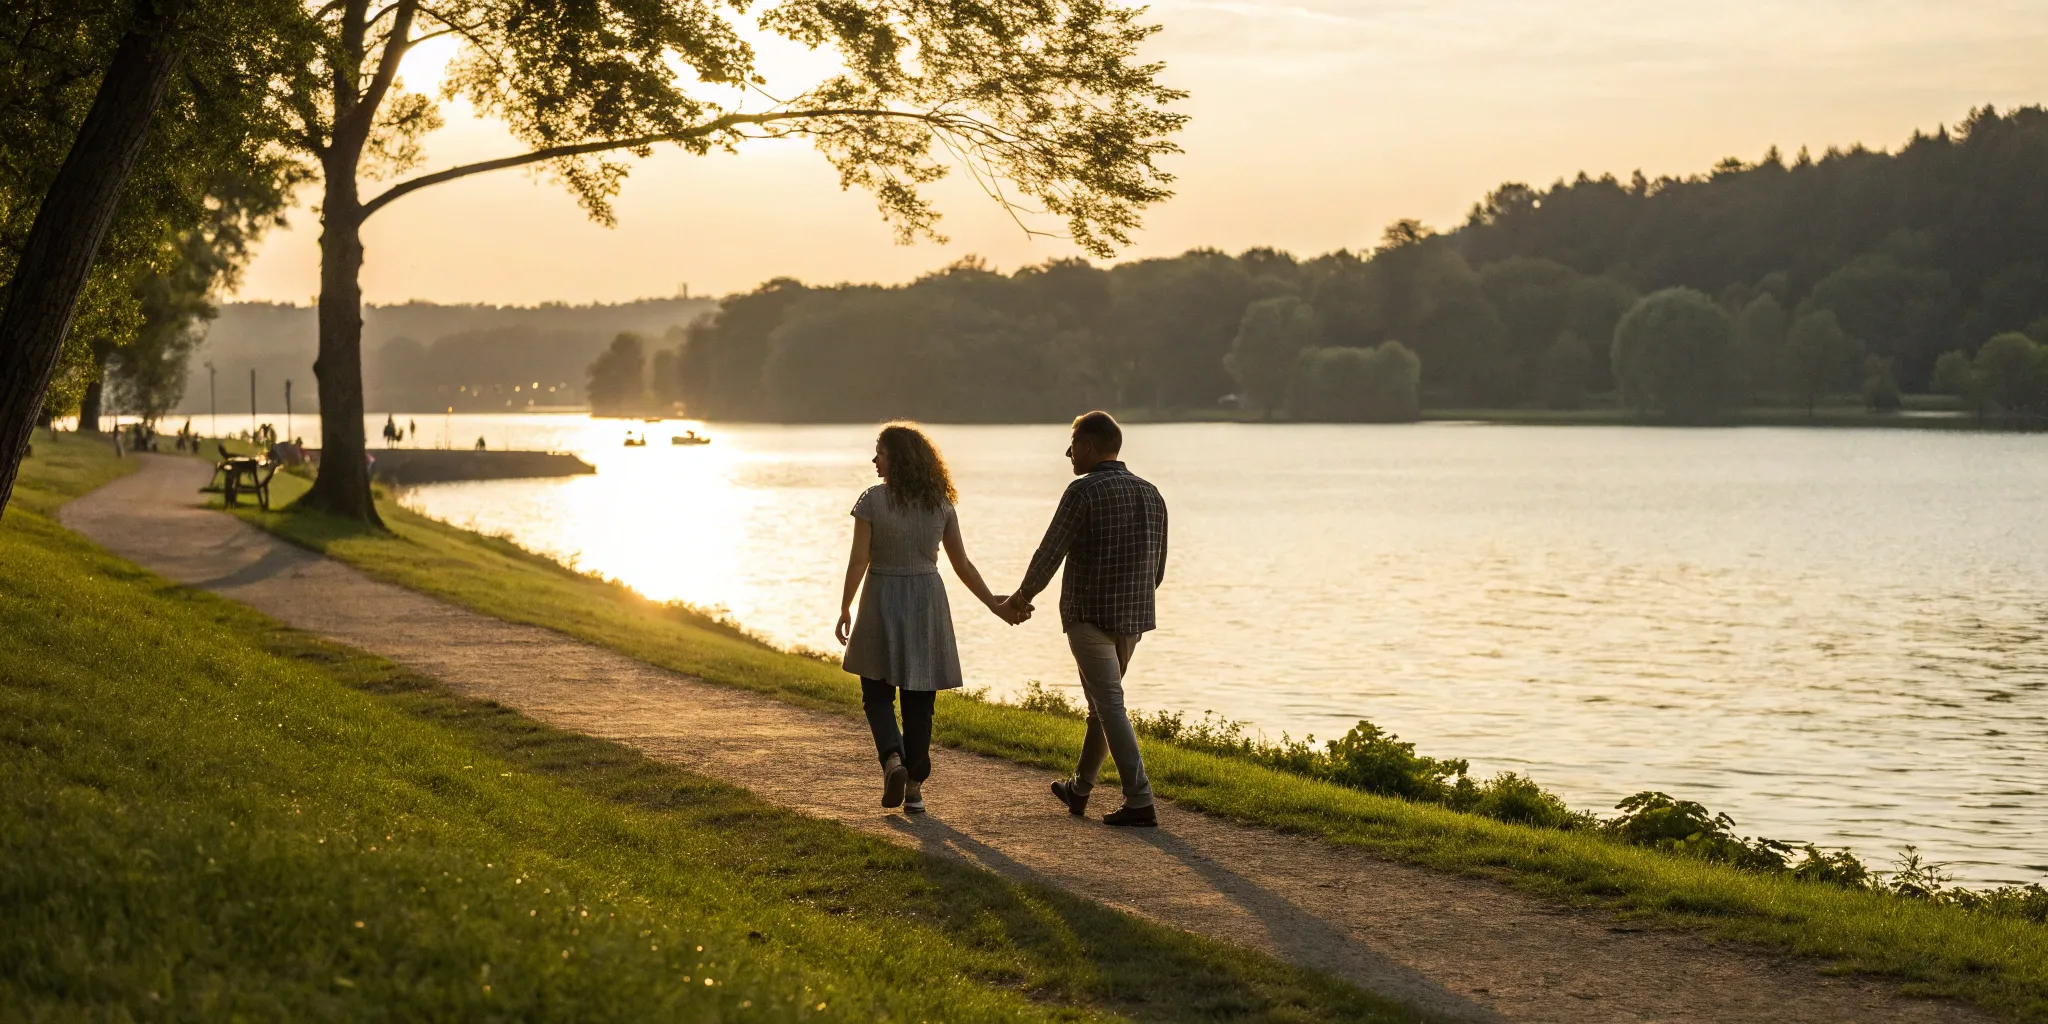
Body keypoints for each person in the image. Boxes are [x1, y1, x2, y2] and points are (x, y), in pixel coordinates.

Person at [836, 422, 1022, 814]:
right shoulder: (941, 503)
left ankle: (892, 760)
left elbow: (858, 560)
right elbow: (962, 565)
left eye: (880, 453)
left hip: (881, 597)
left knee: (876, 694)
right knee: (920, 699)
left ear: (897, 459)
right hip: (926, 601)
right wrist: (993, 603)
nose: (874, 460)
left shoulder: (872, 501)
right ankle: (915, 786)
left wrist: (845, 606)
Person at [1001, 411, 1168, 827]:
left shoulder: (1083, 492)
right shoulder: (1152, 494)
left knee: (1109, 705)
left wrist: (1021, 598)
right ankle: (1079, 789)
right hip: (1133, 618)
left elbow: (1050, 553)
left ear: (1090, 446)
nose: (1067, 453)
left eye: (1072, 444)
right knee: (1101, 706)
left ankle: (1140, 800)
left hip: (1088, 616)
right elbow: (1158, 570)